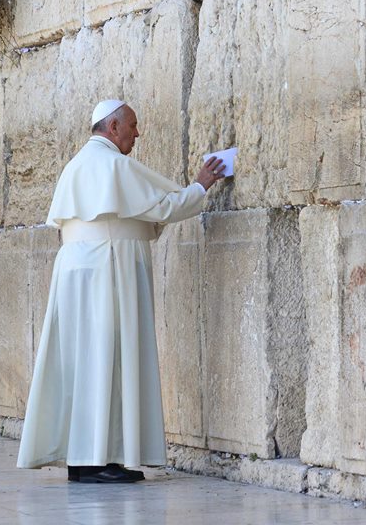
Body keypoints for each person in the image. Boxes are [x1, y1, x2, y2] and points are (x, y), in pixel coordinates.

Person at [17, 99, 226, 483]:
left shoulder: (77, 165)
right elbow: (162, 208)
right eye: (132, 125)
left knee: (85, 361)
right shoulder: (113, 164)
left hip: (77, 268)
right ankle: (93, 460)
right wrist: (200, 185)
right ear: (112, 127)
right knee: (106, 359)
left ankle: (93, 458)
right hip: (105, 267)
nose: (137, 132)